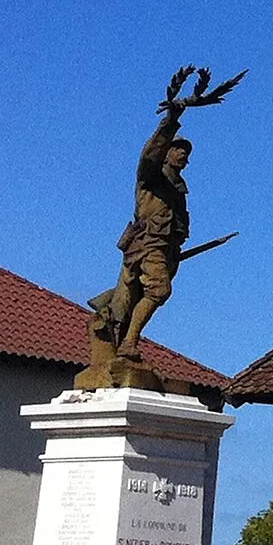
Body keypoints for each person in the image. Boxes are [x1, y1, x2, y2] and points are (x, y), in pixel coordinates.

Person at [88, 109, 193, 362]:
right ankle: (129, 343)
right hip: (148, 245)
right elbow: (149, 155)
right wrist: (170, 123)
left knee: (133, 295)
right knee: (159, 291)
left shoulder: (178, 188)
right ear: (166, 150)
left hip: (167, 249)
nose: (183, 156)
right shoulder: (151, 177)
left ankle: (119, 340)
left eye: (186, 153)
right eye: (178, 149)